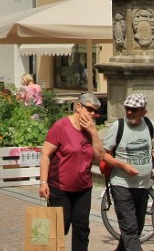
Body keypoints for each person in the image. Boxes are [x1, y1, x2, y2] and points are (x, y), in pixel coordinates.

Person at [101, 93, 154, 251]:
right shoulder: (118, 126)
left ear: (143, 111)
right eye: (127, 109)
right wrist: (123, 166)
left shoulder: (149, 125)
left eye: (134, 109)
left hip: (143, 186)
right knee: (130, 230)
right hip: (121, 184)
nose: (129, 112)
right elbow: (102, 154)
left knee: (135, 228)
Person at [39, 93, 105, 251]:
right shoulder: (61, 126)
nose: (91, 114)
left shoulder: (90, 130)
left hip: (83, 188)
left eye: (94, 111)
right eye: (89, 109)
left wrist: (94, 132)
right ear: (78, 107)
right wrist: (43, 182)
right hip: (60, 188)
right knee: (60, 228)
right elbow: (45, 154)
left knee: (82, 230)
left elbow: (100, 157)